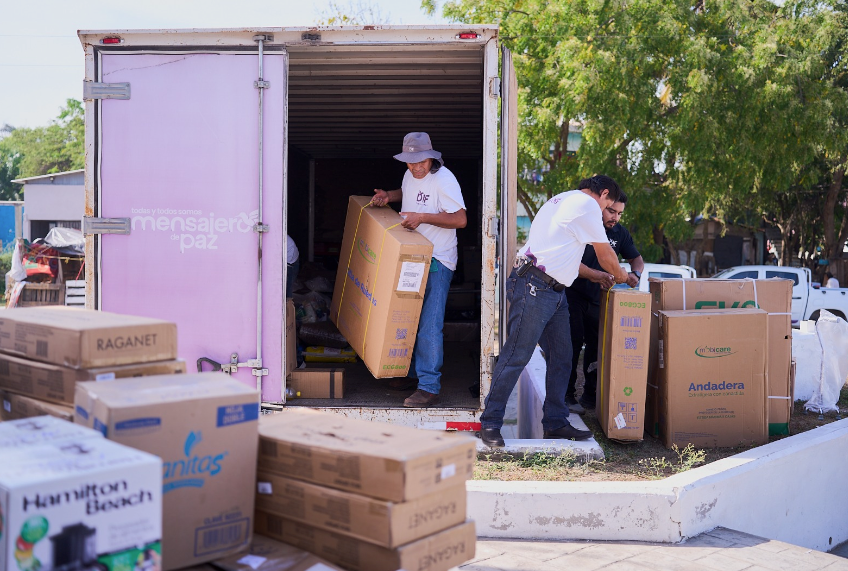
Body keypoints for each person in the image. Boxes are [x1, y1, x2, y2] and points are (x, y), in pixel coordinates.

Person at [480, 175, 630, 448]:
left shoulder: (563, 199)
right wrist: (621, 275)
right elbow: (606, 254)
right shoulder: (587, 206)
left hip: (551, 289)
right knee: (516, 356)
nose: (608, 213)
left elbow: (566, 258)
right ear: (604, 193)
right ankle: (490, 423)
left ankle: (555, 421)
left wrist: (597, 276)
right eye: (610, 205)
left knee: (562, 356)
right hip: (535, 287)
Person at [372, 132, 467, 407]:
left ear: (431, 156)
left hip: (438, 260)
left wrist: (421, 218)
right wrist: (389, 195)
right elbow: (410, 193)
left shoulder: (445, 179)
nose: (416, 167)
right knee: (408, 318)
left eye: (420, 161)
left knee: (429, 325)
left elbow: (461, 219)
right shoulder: (409, 175)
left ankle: (429, 386)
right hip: (412, 256)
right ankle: (412, 373)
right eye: (410, 162)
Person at [560, 192, 644, 414]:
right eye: (611, 210)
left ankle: (591, 394)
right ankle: (566, 395)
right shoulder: (584, 226)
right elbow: (571, 261)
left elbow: (636, 258)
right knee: (573, 342)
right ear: (602, 205)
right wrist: (598, 274)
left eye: (619, 213)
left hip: (601, 299)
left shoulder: (620, 233)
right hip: (572, 294)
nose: (615, 217)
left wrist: (636, 272)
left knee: (598, 347)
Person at [286, 234, 299, 299]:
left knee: (288, 288)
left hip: (290, 261)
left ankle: (288, 305)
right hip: (291, 259)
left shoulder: (278, 237)